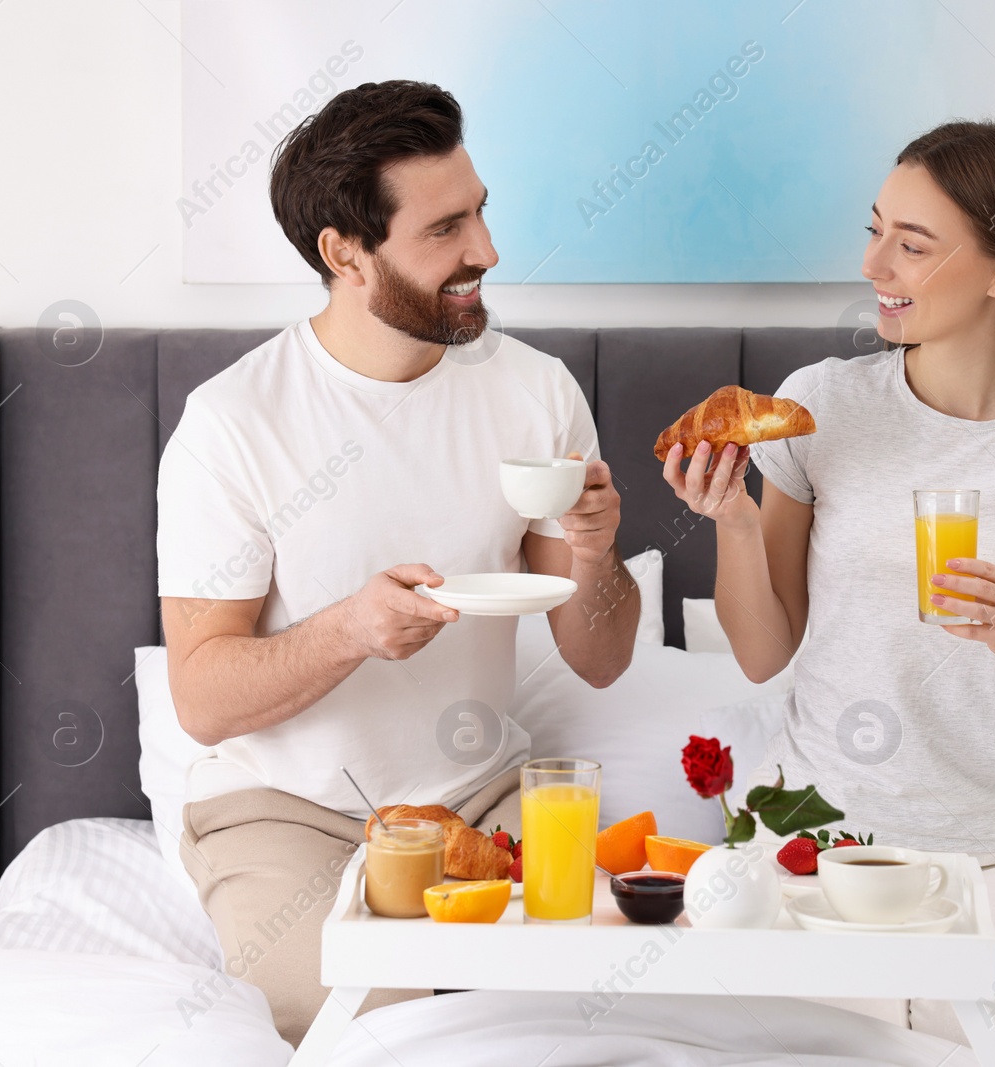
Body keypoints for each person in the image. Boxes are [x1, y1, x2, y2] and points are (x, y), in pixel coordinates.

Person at [664, 119, 995, 1065]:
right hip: (814, 836)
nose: (876, 263)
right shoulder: (821, 405)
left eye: (913, 245)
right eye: (876, 231)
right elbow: (765, 651)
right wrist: (735, 524)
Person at [157, 80, 639, 1044]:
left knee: (565, 1014)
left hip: (481, 794)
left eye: (482, 212)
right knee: (369, 1031)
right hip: (287, 814)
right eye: (445, 229)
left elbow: (600, 654)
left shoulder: (535, 391)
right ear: (345, 252)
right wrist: (347, 631)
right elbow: (203, 696)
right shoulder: (234, 423)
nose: (487, 253)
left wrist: (594, 553)